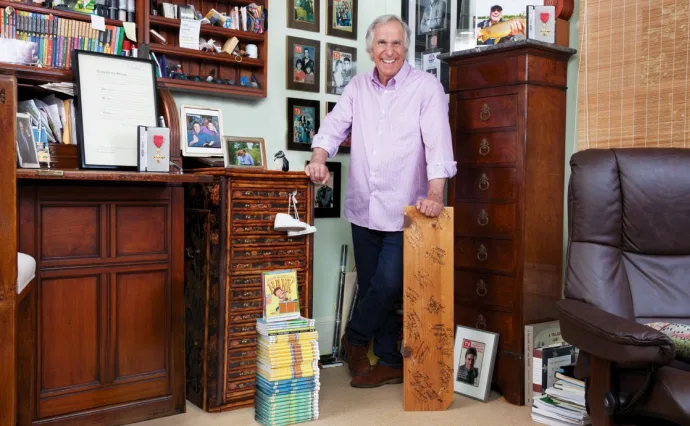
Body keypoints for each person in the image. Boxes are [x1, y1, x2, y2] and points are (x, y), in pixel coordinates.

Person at [305, 14, 456, 388]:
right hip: (363, 206)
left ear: (406, 48)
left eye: (396, 43)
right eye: (382, 44)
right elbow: (333, 126)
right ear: (371, 49)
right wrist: (319, 158)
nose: (389, 51)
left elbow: (438, 143)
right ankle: (390, 359)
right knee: (374, 284)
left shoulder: (426, 88)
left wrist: (436, 193)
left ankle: (354, 341)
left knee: (389, 283)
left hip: (408, 209)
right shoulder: (357, 87)